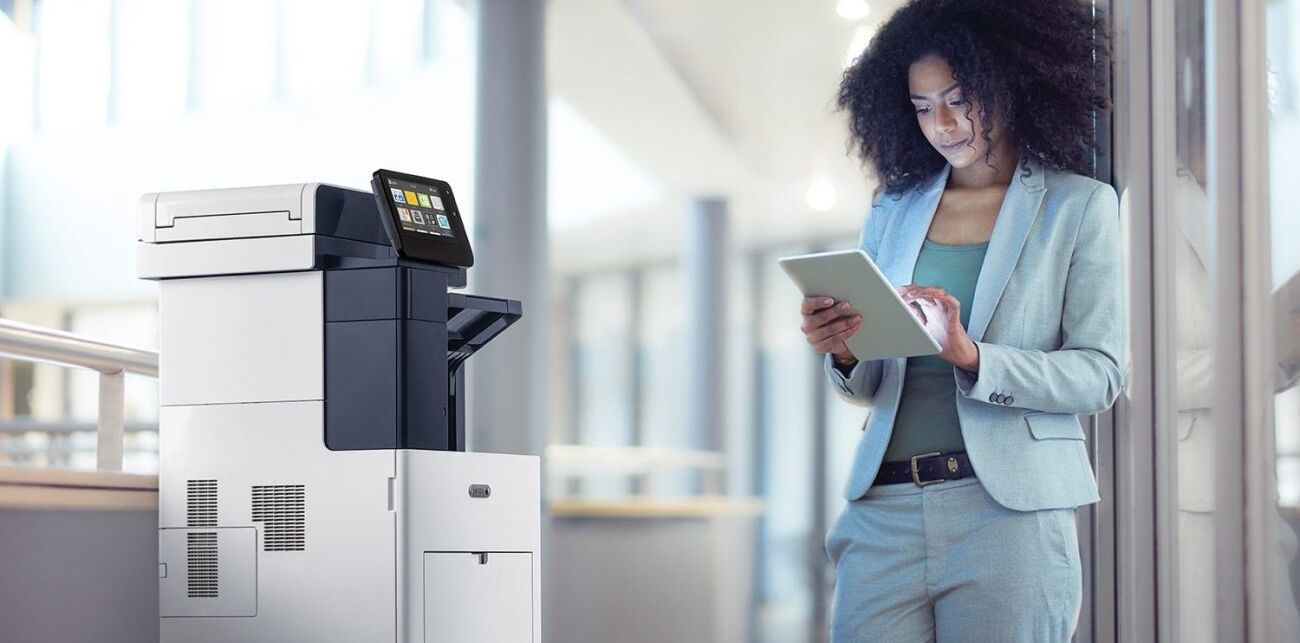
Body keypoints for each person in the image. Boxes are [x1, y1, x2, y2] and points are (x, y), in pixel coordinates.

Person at [801, 1, 1123, 641]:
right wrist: (842, 350)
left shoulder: (1077, 205)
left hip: (1005, 515)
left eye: (959, 98)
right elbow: (868, 383)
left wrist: (972, 355)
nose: (942, 124)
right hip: (883, 510)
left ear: (1007, 80)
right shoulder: (893, 208)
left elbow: (1100, 375)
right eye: (923, 107)